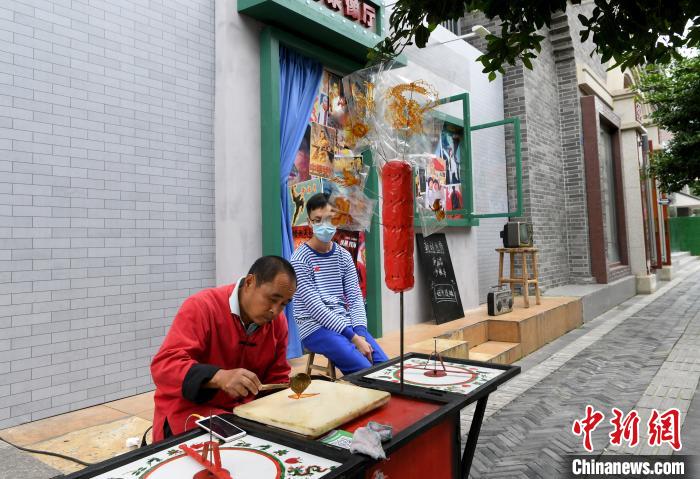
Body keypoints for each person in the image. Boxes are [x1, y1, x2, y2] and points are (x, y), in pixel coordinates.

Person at [150, 256, 296, 442]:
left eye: (284, 304)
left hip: (241, 414)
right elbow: (165, 366)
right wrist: (218, 377)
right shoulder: (203, 306)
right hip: (190, 413)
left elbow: (277, 378)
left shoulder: (278, 323)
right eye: (272, 299)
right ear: (250, 282)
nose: (275, 311)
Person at [291, 193, 388, 375]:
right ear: (310, 223)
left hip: (346, 324)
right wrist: (354, 338)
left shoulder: (343, 256)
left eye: (329, 219)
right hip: (315, 327)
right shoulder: (300, 259)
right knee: (365, 370)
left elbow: (355, 298)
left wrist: (360, 332)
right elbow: (316, 309)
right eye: (318, 220)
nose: (324, 225)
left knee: (385, 366)